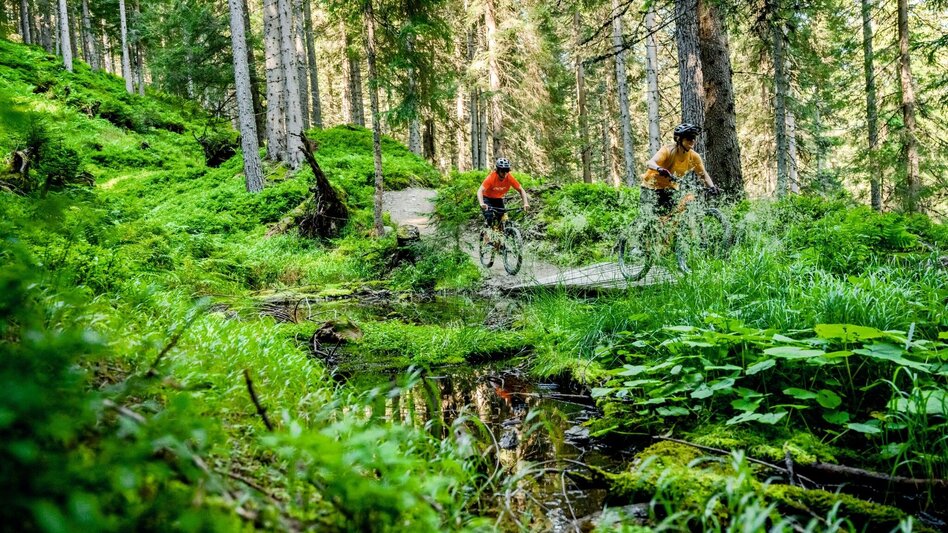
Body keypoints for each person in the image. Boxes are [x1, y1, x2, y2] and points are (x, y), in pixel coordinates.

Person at [642, 123, 719, 215]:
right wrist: (659, 169)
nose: (692, 141)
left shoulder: (694, 156)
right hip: (651, 187)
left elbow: (703, 175)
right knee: (655, 217)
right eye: (689, 138)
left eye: (694, 138)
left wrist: (712, 187)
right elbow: (650, 163)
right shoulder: (668, 150)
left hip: (670, 188)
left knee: (678, 211)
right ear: (679, 139)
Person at [477, 158, 530, 229]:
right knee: (489, 217)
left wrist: (525, 203)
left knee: (502, 219)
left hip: (498, 199)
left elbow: (521, 190)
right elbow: (480, 191)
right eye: (502, 171)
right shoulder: (491, 178)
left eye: (507, 170)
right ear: (498, 170)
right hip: (487, 198)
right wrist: (481, 203)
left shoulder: (509, 177)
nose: (505, 173)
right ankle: (487, 236)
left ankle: (500, 236)